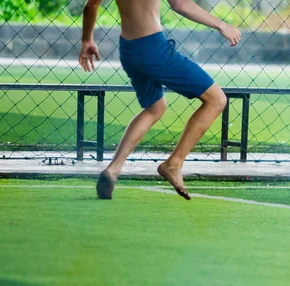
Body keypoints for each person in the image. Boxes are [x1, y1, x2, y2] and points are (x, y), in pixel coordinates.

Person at [79, 0, 241, 200]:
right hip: (153, 48)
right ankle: (174, 163)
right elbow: (180, 5)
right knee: (217, 100)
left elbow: (90, 5)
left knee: (155, 108)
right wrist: (221, 24)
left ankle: (113, 169)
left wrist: (87, 40)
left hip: (128, 49)